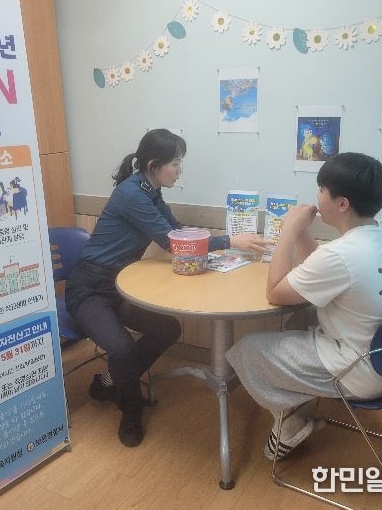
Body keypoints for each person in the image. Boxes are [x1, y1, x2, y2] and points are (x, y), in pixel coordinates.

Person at [65, 129, 269, 447]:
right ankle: (131, 408)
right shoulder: (132, 194)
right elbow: (172, 243)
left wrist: (217, 247)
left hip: (119, 285)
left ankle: (109, 382)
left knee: (167, 328)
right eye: (175, 163)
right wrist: (230, 240)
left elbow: (177, 231)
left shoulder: (151, 192)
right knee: (122, 349)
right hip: (89, 288)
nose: (179, 170)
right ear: (153, 165)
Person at [225, 152, 382, 461]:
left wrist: (287, 230)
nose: (317, 196)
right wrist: (302, 231)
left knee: (246, 350)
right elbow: (320, 270)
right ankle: (296, 403)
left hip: (361, 370)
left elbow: (275, 292)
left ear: (342, 204)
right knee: (300, 317)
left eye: (321, 189)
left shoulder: (342, 254)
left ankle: (289, 420)